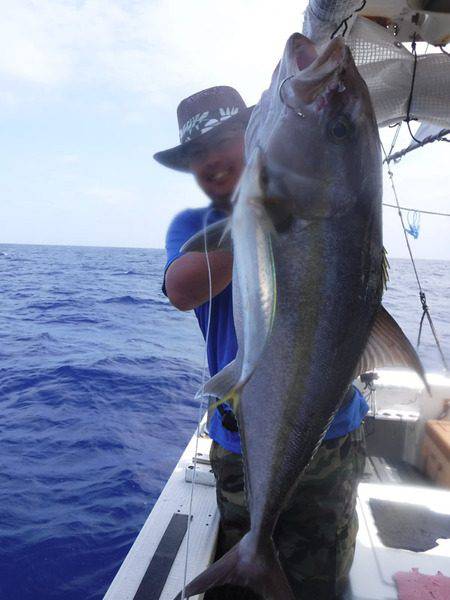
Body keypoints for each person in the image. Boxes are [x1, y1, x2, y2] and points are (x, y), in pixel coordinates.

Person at [155, 86, 367, 599]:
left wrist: (293, 207)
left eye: (222, 141)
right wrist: (258, 217)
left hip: (330, 435)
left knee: (320, 578)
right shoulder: (192, 226)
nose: (210, 161)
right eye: (196, 155)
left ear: (255, 136)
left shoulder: (316, 206)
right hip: (241, 439)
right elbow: (182, 290)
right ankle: (252, 560)